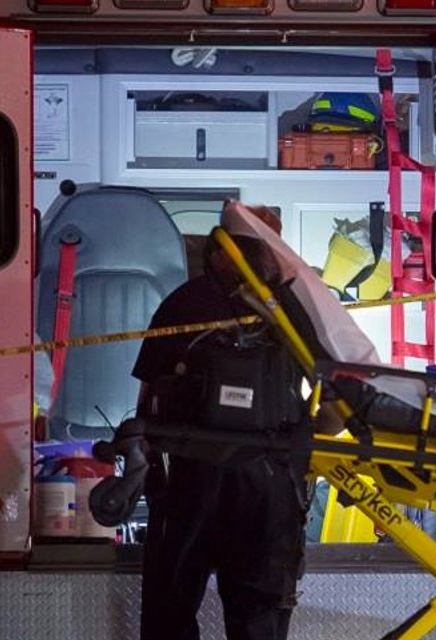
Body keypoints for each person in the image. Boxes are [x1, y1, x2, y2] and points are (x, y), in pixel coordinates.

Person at [132, 201, 316, 640]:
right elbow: (328, 404)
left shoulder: (184, 304)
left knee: (169, 611)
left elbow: (146, 399)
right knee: (259, 618)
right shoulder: (292, 310)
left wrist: (145, 463)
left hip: (191, 475)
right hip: (267, 483)